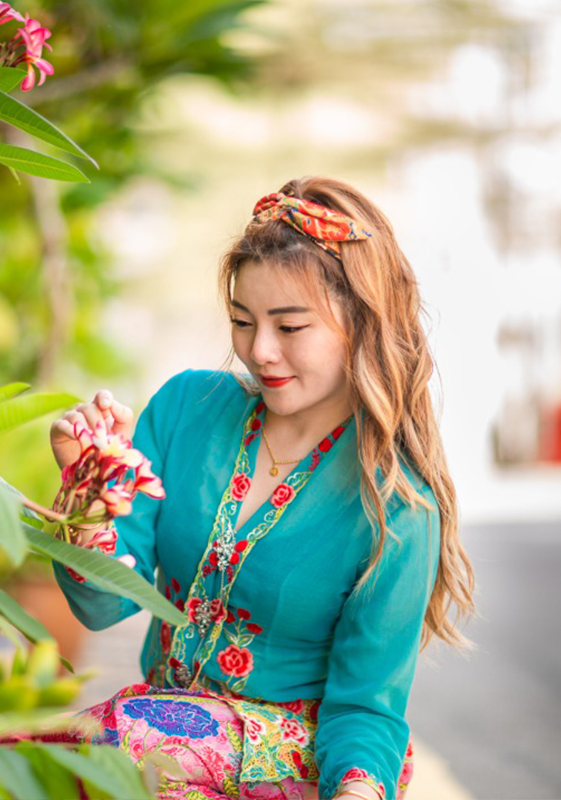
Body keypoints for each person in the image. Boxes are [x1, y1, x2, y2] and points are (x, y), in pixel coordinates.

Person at [40, 176, 477, 800]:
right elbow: (104, 605)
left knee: (111, 743)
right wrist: (88, 489)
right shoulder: (187, 407)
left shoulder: (398, 507)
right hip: (155, 753)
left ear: (362, 323)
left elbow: (366, 707)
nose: (260, 351)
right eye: (243, 322)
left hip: (295, 765)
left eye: (291, 327)